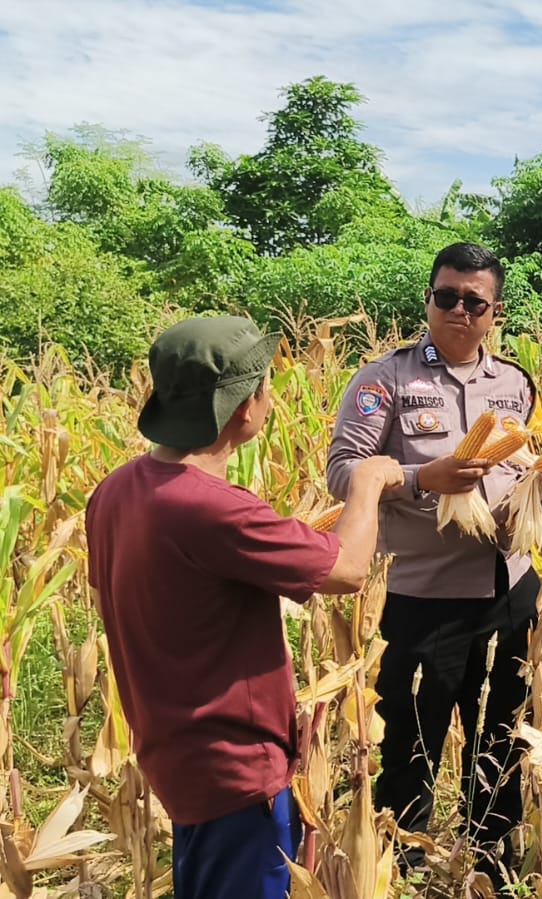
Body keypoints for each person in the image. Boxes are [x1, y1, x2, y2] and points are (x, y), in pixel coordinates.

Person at [86, 315, 403, 899]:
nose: (270, 397)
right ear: (243, 406)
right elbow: (349, 569)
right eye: (266, 385)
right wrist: (367, 483)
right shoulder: (213, 508)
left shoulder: (114, 491)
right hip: (235, 769)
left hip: (176, 755)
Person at [326, 242, 542, 886]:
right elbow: (342, 473)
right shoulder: (386, 380)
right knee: (412, 742)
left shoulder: (515, 384)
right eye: (447, 297)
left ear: (495, 313)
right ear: (429, 300)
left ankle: (491, 867)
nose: (460, 310)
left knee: (502, 737)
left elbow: (522, 475)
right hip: (423, 596)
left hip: (508, 588)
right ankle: (404, 870)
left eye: (475, 301)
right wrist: (422, 477)